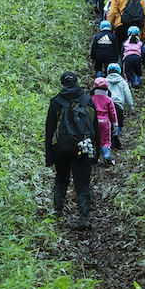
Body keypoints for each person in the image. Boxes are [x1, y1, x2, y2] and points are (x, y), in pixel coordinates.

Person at [44, 72, 97, 228]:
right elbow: (95, 129)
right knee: (83, 184)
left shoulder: (56, 102)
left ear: (62, 84)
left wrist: (49, 156)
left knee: (61, 179)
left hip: (60, 148)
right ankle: (83, 219)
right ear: (76, 82)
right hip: (83, 147)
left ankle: (56, 213)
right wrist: (95, 154)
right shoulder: (88, 101)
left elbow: (49, 130)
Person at [91, 77, 119, 163]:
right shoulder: (108, 100)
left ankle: (93, 156)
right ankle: (106, 155)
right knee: (106, 140)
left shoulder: (91, 99)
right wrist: (115, 124)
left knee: (94, 138)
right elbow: (112, 113)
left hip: (93, 121)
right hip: (104, 122)